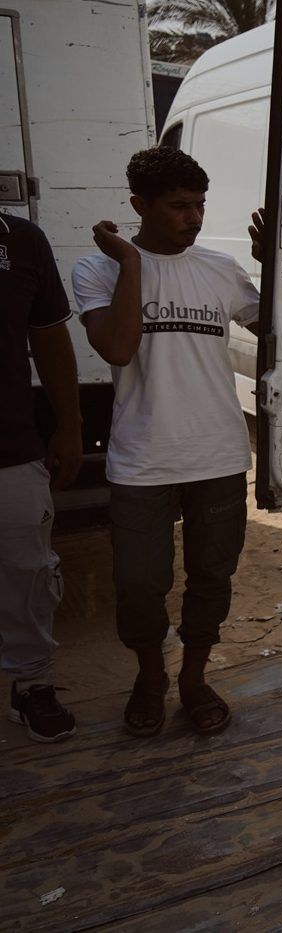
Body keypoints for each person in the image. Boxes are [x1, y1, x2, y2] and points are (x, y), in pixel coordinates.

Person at [72, 146, 260, 738]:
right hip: (142, 460)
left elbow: (281, 331)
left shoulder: (220, 269)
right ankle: (150, 676)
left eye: (200, 205)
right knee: (139, 583)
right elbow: (118, 348)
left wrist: (271, 265)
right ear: (139, 206)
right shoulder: (97, 270)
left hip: (219, 457)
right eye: (180, 207)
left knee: (212, 577)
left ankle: (195, 678)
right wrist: (131, 263)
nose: (194, 218)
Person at [1, 213, 82, 742]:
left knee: (28, 572)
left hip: (10, 446)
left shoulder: (21, 240)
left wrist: (70, 427)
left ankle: (31, 685)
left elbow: (50, 339)